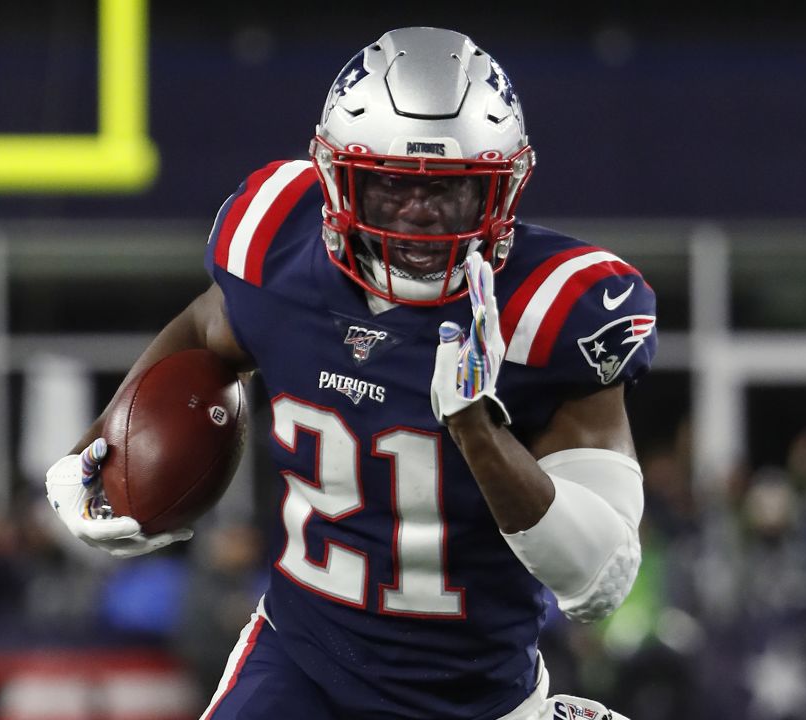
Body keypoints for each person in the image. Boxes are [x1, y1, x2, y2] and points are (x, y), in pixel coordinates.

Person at [45, 27, 655, 720]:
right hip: (304, 662)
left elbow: (600, 582)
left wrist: (479, 433)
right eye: (390, 188)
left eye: (451, 194)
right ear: (335, 177)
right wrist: (101, 446)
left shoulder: (553, 310)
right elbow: (204, 328)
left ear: (505, 189)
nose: (418, 217)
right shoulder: (280, 247)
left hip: (476, 700)